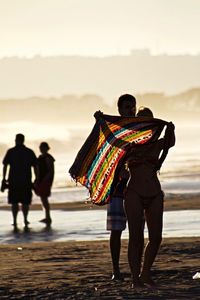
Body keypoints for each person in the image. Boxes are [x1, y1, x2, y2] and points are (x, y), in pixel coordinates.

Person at [124, 107, 175, 289]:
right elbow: (110, 140)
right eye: (142, 121)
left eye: (149, 121)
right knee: (135, 238)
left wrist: (170, 128)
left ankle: (145, 272)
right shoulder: (129, 144)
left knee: (156, 237)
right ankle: (134, 278)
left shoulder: (157, 143)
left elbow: (170, 142)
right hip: (134, 194)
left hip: (154, 193)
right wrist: (99, 121)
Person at [95, 94, 136, 280]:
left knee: (137, 232)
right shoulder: (115, 130)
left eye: (133, 106)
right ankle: (116, 270)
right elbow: (109, 144)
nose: (131, 110)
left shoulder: (141, 129)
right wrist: (101, 122)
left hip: (137, 188)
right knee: (116, 231)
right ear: (119, 109)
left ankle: (137, 270)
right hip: (118, 188)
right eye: (127, 107)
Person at [1, 134, 37, 230]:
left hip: (13, 181)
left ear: (16, 140)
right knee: (25, 202)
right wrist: (36, 179)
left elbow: (5, 166)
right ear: (23, 140)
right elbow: (35, 166)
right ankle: (25, 219)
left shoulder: (11, 151)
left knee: (14, 202)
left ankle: (15, 220)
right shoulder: (29, 152)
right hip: (26, 181)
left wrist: (4, 178)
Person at [34, 142, 55, 226]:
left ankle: (48, 217)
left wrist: (46, 180)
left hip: (45, 180)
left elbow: (51, 171)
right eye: (40, 147)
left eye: (42, 147)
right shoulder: (40, 157)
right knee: (43, 199)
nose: (41, 149)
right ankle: (47, 217)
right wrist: (37, 179)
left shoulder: (48, 157)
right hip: (41, 180)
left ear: (46, 148)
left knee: (44, 199)